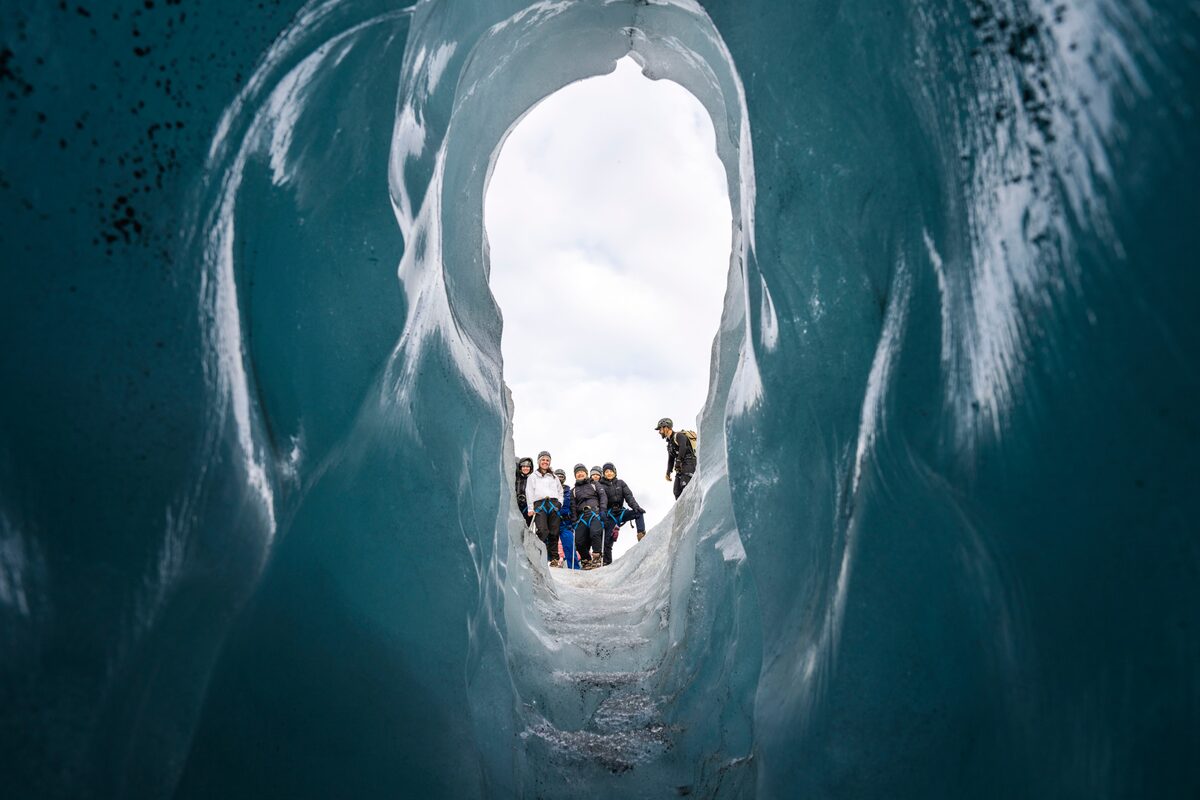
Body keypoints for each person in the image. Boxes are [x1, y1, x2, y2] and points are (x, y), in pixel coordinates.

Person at [526, 451, 563, 567]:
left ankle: (554, 559)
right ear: (539, 462)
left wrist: (559, 503)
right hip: (540, 504)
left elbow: (560, 491)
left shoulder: (554, 477)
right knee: (542, 531)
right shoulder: (533, 476)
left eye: (547, 460)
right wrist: (530, 508)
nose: (545, 462)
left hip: (553, 504)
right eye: (543, 460)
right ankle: (539, 556)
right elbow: (529, 492)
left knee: (554, 532)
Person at [600, 462, 647, 549]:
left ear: (614, 472)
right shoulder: (601, 485)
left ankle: (641, 535)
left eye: (610, 471)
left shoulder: (620, 483)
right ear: (603, 474)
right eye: (606, 472)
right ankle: (607, 561)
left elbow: (629, 496)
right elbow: (602, 500)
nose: (609, 473)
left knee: (638, 513)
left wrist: (635, 507)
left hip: (620, 512)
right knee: (607, 541)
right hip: (610, 515)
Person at [570, 463, 608, 569]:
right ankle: (586, 560)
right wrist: (574, 520)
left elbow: (603, 496)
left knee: (595, 533)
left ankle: (596, 557)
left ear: (586, 473)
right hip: (581, 516)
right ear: (575, 475)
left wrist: (603, 510)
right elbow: (572, 506)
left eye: (582, 472)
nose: (580, 474)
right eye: (577, 473)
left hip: (594, 513)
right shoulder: (573, 490)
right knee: (579, 540)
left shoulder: (594, 484)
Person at [655, 417, 697, 499]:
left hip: (689, 463)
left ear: (666, 427)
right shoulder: (670, 444)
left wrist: (678, 461)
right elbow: (670, 460)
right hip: (680, 467)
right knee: (677, 491)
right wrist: (668, 472)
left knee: (685, 485)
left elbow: (683, 447)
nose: (659, 432)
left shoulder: (679, 435)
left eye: (660, 429)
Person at [554, 468, 580, 569]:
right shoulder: (549, 489)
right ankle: (551, 565)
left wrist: (574, 520)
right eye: (557, 476)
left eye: (561, 476)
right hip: (552, 521)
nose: (559, 478)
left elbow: (573, 506)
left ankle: (575, 568)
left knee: (569, 545)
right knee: (549, 544)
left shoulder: (569, 491)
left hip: (565, 522)